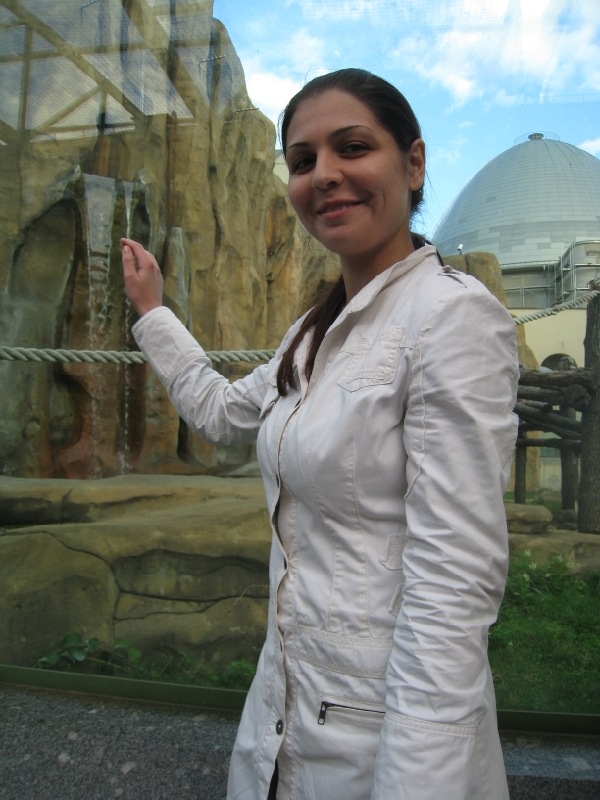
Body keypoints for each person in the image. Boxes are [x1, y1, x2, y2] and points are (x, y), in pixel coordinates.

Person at [121, 68, 518, 800]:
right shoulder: (313, 332)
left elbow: (452, 586)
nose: (325, 175)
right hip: (282, 713)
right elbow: (221, 412)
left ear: (414, 163)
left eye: (353, 147)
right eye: (303, 160)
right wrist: (153, 313)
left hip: (388, 740)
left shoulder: (451, 317)